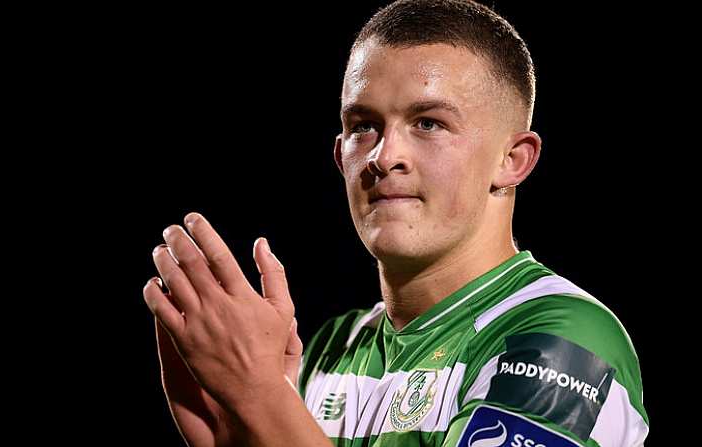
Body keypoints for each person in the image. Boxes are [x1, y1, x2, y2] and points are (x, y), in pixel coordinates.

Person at [142, 0, 649, 445]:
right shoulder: (328, 352)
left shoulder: (564, 341)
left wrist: (258, 399)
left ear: (513, 159)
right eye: (363, 126)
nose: (384, 157)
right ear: (340, 155)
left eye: (429, 123)